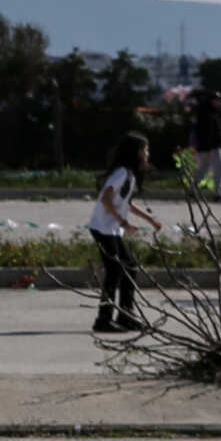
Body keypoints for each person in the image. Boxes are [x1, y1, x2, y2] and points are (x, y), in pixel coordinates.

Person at [89, 132, 163, 335]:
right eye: (145, 150)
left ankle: (126, 315)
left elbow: (125, 202)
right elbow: (106, 199)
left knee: (129, 267)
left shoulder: (128, 174)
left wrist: (150, 220)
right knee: (114, 271)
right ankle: (103, 320)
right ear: (136, 152)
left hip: (111, 229)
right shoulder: (122, 173)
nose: (147, 154)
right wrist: (123, 222)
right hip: (103, 228)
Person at [188, 90, 221, 193]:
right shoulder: (208, 114)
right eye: (217, 100)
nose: (218, 102)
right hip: (211, 147)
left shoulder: (211, 112)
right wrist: (209, 148)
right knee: (218, 170)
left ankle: (192, 189)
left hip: (209, 147)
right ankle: (218, 192)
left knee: (203, 170)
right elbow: (207, 132)